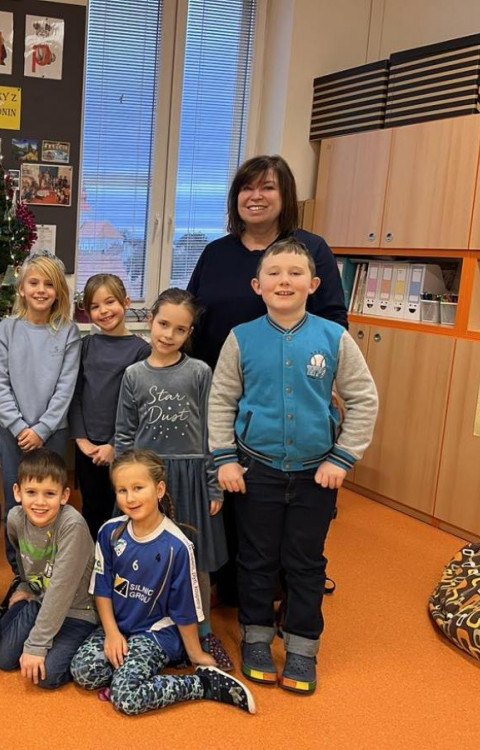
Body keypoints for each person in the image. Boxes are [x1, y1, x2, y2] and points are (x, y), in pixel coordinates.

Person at [208, 239, 378, 694]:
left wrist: (342, 457)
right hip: (256, 469)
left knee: (306, 562)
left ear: (314, 284)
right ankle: (256, 637)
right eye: (275, 273)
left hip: (316, 473)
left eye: (295, 273)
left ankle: (302, 645)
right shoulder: (241, 338)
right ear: (257, 285)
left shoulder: (333, 337)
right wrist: (225, 458)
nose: (285, 281)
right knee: (256, 559)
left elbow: (364, 399)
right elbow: (221, 401)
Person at [187, 154, 348, 607]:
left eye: (268, 187)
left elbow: (333, 319)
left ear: (285, 196)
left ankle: (284, 588)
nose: (255, 197)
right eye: (246, 187)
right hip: (222, 393)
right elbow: (193, 316)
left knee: (283, 497)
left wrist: (329, 378)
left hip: (285, 399)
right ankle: (233, 585)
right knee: (230, 485)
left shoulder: (310, 249)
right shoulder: (216, 253)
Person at [69, 451, 256, 717]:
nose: (130, 498)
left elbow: (184, 610)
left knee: (127, 698)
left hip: (155, 633)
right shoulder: (109, 532)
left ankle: (203, 685)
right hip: (120, 626)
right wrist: (111, 633)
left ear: (159, 490)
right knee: (84, 672)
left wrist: (195, 654)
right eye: (122, 490)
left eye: (138, 488)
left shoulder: (177, 546)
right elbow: (102, 588)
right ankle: (128, 672)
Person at [114, 288, 231, 671]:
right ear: (150, 320)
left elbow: (213, 430)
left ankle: (202, 631)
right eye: (163, 324)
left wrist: (213, 483)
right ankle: (149, 627)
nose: (169, 334)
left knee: (195, 555)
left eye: (180, 329)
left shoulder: (199, 372)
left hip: (191, 476)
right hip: (147, 479)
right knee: (147, 553)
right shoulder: (134, 375)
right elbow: (124, 434)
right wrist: (123, 485)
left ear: (189, 332)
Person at [0, 254, 81, 573]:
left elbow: (66, 387)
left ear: (58, 292)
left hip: (52, 434)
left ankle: (49, 571)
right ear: (21, 289)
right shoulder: (6, 330)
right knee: (16, 502)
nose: (41, 290)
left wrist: (42, 429)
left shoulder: (68, 332)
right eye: (34, 283)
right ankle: (19, 572)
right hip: (13, 434)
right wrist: (18, 427)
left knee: (49, 501)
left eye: (49, 284)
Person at [0, 448, 96, 689]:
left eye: (49, 493)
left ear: (64, 495)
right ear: (17, 492)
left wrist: (36, 645)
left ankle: (69, 638)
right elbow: (21, 555)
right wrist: (26, 584)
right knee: (2, 657)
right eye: (31, 492)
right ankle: (25, 612)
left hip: (77, 611)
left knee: (47, 676)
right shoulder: (15, 518)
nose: (39, 502)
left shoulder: (72, 526)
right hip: (41, 599)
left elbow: (61, 589)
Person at [69, 273, 149, 540]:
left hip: (122, 447)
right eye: (95, 306)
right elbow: (75, 394)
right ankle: (94, 560)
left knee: (123, 509)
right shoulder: (86, 345)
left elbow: (138, 406)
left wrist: (115, 444)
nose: (103, 311)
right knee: (92, 509)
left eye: (110, 302)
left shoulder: (141, 351)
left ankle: (121, 560)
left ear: (126, 302)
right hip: (88, 448)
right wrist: (81, 439)